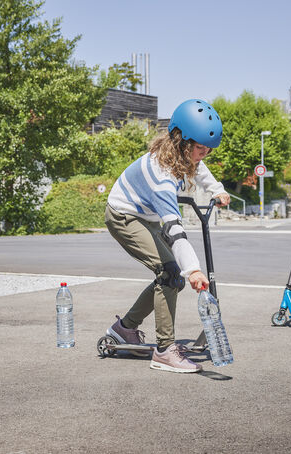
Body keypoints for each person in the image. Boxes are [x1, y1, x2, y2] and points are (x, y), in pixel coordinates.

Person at [104, 99, 230, 373]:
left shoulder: (184, 155)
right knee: (171, 274)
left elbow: (200, 168)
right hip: (124, 216)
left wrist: (216, 189)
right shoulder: (161, 177)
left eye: (208, 148)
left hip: (145, 216)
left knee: (172, 278)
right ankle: (164, 351)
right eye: (199, 147)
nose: (204, 153)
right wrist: (193, 270)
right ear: (180, 140)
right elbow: (174, 228)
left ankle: (124, 329)